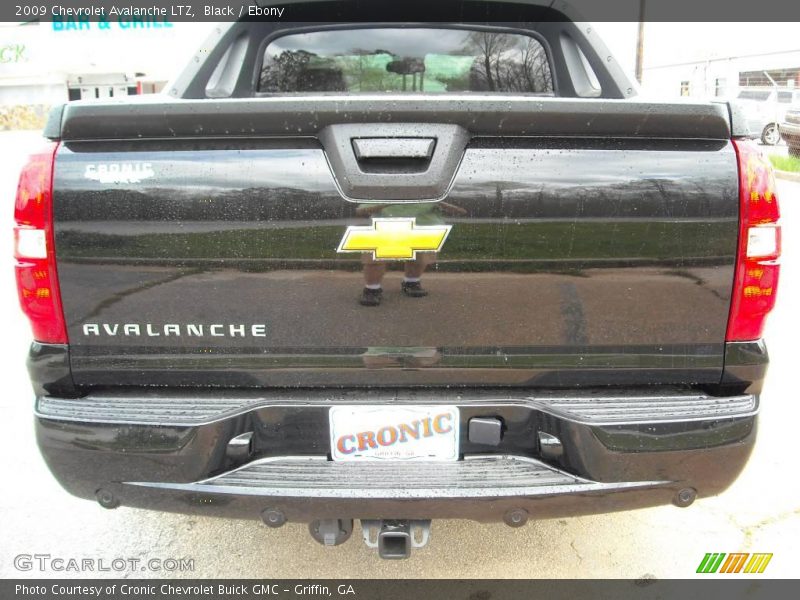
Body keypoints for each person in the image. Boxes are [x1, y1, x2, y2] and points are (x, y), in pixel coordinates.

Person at [355, 201, 466, 306]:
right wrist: (393, 201)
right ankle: (372, 289)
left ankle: (411, 283)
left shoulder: (432, 191)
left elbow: (461, 211)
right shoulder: (383, 190)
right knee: (374, 260)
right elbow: (362, 211)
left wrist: (438, 202)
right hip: (386, 226)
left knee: (421, 259)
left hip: (424, 226)